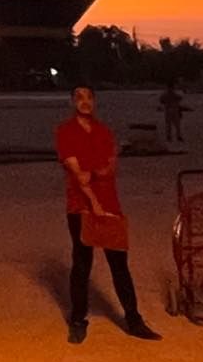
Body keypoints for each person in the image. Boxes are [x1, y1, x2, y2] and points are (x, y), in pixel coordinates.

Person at [55, 84, 162, 344]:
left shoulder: (104, 132)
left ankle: (133, 319)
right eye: (79, 97)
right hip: (81, 208)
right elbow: (80, 176)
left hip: (111, 205)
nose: (85, 102)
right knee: (82, 265)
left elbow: (109, 168)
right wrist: (94, 202)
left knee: (119, 265)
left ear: (95, 102)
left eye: (89, 97)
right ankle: (78, 319)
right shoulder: (65, 132)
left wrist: (93, 174)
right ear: (72, 102)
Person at [160, 83, 186, 147]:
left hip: (170, 110)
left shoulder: (165, 94)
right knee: (174, 125)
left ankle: (172, 136)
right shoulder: (173, 94)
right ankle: (175, 136)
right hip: (172, 110)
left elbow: (161, 100)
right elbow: (180, 98)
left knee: (173, 125)